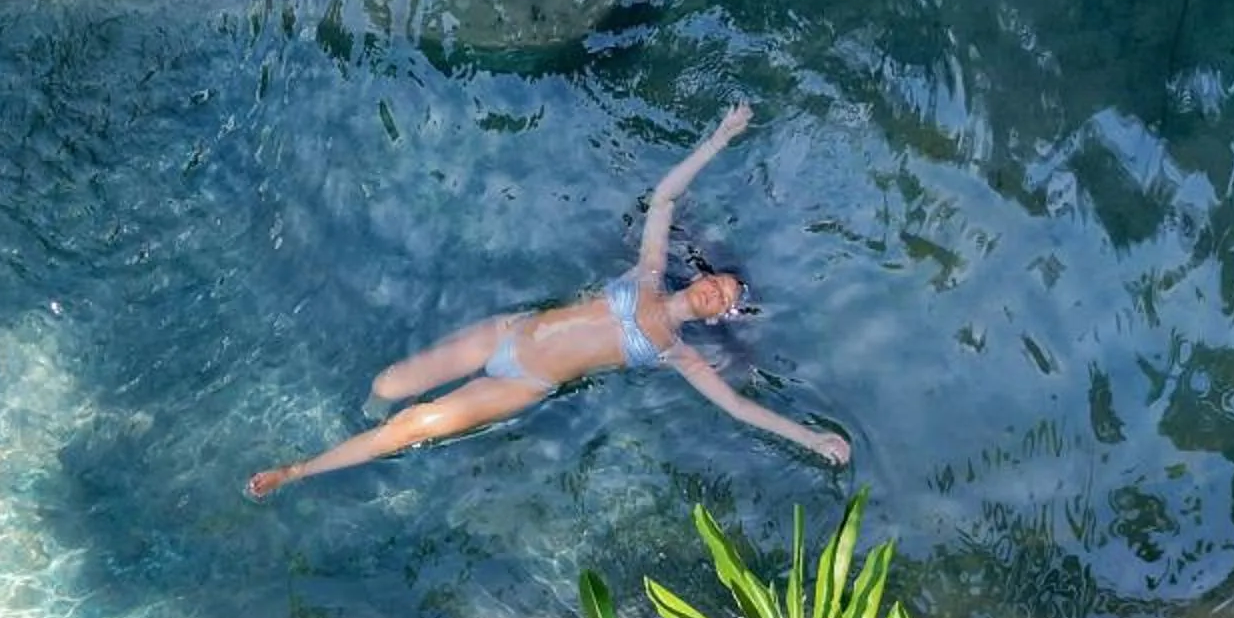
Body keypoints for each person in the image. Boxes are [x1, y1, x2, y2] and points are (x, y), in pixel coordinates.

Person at [245, 102, 851, 498]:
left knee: (410, 427)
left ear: (719, 316)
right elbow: (663, 200)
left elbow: (741, 411)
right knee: (386, 384)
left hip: (521, 385)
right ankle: (358, 425)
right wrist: (720, 137)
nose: (718, 291)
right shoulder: (645, 274)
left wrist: (811, 439)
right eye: (719, 280)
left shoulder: (675, 354)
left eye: (727, 299)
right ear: (700, 277)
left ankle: (300, 471)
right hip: (505, 333)